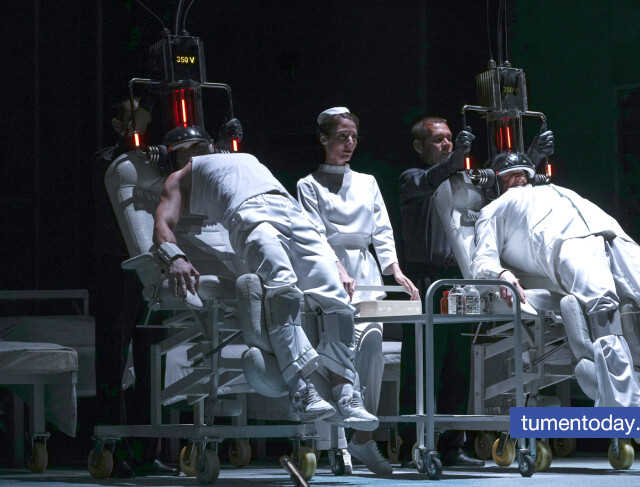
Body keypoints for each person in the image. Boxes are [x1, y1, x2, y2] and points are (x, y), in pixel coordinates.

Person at [470, 151, 640, 458]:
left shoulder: (556, 190)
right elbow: (481, 261)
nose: (518, 177)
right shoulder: (494, 209)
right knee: (603, 309)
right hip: (567, 243)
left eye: (523, 172)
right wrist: (501, 274)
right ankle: (636, 419)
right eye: (509, 175)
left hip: (611, 232)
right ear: (496, 183)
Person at [152, 126, 379, 432]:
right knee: (282, 290)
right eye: (188, 149)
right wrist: (174, 256)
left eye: (201, 144)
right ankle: (301, 389)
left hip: (294, 214)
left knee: (336, 299)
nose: (198, 151)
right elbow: (162, 224)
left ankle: (346, 392)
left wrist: (336, 262)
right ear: (175, 156)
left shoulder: (241, 157)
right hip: (251, 214)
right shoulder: (179, 177)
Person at [297, 107, 419, 475]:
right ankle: (336, 443)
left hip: (366, 274)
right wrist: (335, 268)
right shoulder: (308, 184)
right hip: (327, 275)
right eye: (342, 136)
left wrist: (395, 270)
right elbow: (313, 233)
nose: (349, 143)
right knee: (336, 356)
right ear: (324, 139)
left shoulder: (367, 182)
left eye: (353, 136)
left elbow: (381, 229)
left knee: (372, 349)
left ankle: (363, 439)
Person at [91, 98, 178, 477]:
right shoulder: (107, 160)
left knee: (151, 354)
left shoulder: (155, 159)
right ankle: (112, 448)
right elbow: (115, 170)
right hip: (115, 264)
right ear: (117, 122)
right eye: (130, 116)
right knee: (113, 352)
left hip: (151, 263)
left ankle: (147, 452)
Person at [397, 117, 484, 467]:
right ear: (420, 146)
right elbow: (433, 179)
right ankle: (412, 444)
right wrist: (455, 159)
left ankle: (451, 445)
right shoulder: (413, 178)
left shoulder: (460, 182)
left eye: (450, 139)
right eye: (439, 140)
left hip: (459, 281)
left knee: (458, 366)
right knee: (422, 364)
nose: (447, 144)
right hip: (427, 281)